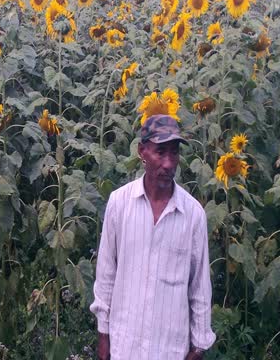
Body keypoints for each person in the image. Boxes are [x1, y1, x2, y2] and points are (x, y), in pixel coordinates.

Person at [90, 114, 215, 359]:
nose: (168, 163)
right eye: (160, 152)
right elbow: (106, 274)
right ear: (142, 151)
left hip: (169, 349)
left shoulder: (193, 215)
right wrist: (103, 336)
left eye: (174, 153)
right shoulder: (120, 203)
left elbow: (200, 288)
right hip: (124, 345)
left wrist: (198, 347)